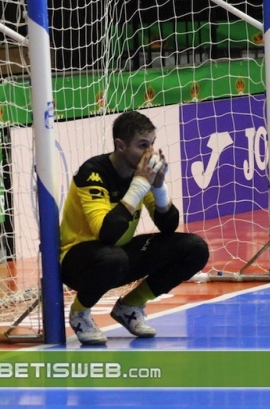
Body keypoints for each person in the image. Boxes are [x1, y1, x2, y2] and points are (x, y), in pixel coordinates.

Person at [59, 110, 210, 345]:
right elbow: (106, 234)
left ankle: (129, 306)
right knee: (113, 257)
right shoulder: (93, 173)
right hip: (79, 262)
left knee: (194, 248)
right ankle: (79, 313)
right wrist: (140, 184)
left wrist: (159, 188)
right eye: (142, 145)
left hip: (118, 254)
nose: (149, 153)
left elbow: (168, 227)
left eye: (152, 144)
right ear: (120, 146)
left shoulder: (142, 174)